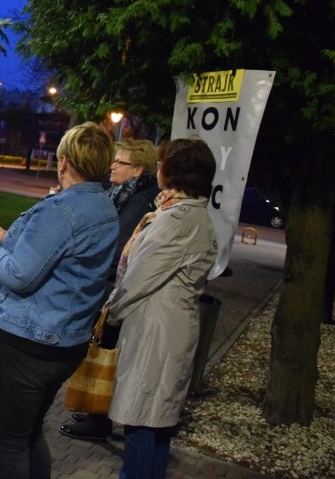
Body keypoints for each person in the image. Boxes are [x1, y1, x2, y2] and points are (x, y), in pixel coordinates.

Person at [0, 122, 119, 478]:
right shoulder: (104, 208)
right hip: (64, 343)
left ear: (63, 161)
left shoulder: (61, 212)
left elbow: (18, 274)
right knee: (29, 434)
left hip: (26, 345)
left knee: (11, 441)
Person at [106, 138, 217, 479]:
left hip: (157, 333)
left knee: (142, 420)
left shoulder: (176, 221)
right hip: (167, 328)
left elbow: (138, 277)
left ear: (174, 172)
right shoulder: (184, 214)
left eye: (161, 162)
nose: (157, 168)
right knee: (156, 421)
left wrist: (109, 312)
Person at [59, 138, 160, 441]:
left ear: (138, 169)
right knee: (100, 349)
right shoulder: (124, 193)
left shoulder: (141, 200)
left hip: (113, 287)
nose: (113, 166)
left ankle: (98, 419)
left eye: (121, 162)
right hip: (108, 284)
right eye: (114, 160)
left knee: (105, 351)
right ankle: (93, 409)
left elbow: (118, 246)